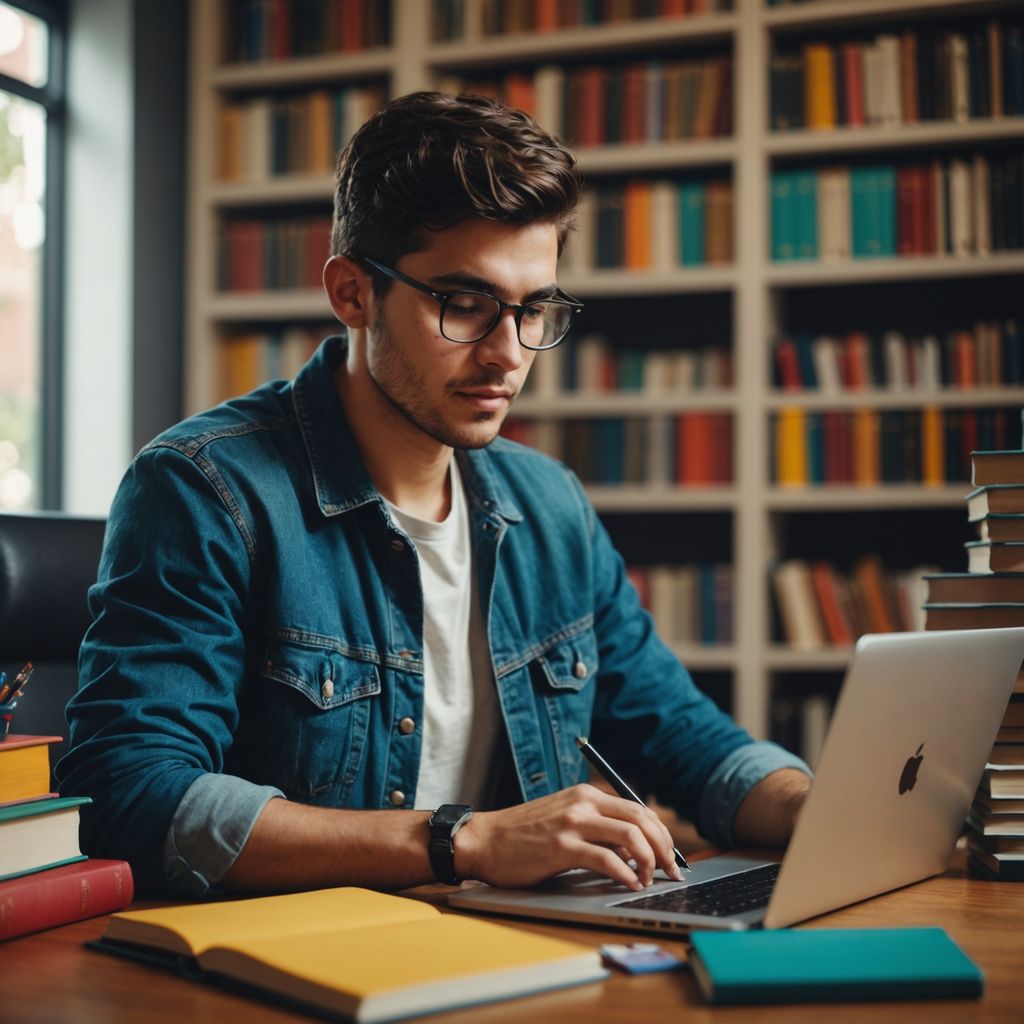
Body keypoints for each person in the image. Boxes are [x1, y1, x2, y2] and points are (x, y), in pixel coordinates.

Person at [58, 92, 810, 899]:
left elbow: (685, 741)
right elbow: (129, 794)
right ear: (352, 292)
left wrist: (820, 808)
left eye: (534, 310)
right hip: (291, 970)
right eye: (465, 305)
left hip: (508, 955)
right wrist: (468, 841)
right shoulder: (206, 488)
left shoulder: (551, 506)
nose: (508, 355)